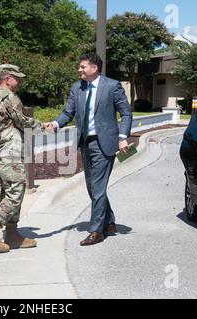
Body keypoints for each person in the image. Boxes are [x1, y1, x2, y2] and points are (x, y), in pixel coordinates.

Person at [48, 52, 132, 246]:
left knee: (98, 187)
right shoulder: (77, 88)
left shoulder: (112, 86)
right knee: (92, 186)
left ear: (94, 68)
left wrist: (122, 137)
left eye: (83, 66)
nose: (79, 69)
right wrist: (55, 124)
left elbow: (126, 114)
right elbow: (68, 112)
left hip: (106, 143)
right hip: (85, 143)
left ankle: (97, 231)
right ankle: (109, 222)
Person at [0, 64, 49, 253]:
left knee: (8, 191)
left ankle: (12, 234)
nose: (20, 81)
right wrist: (43, 126)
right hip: (10, 151)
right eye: (17, 77)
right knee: (16, 191)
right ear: (7, 78)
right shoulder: (10, 97)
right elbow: (22, 120)